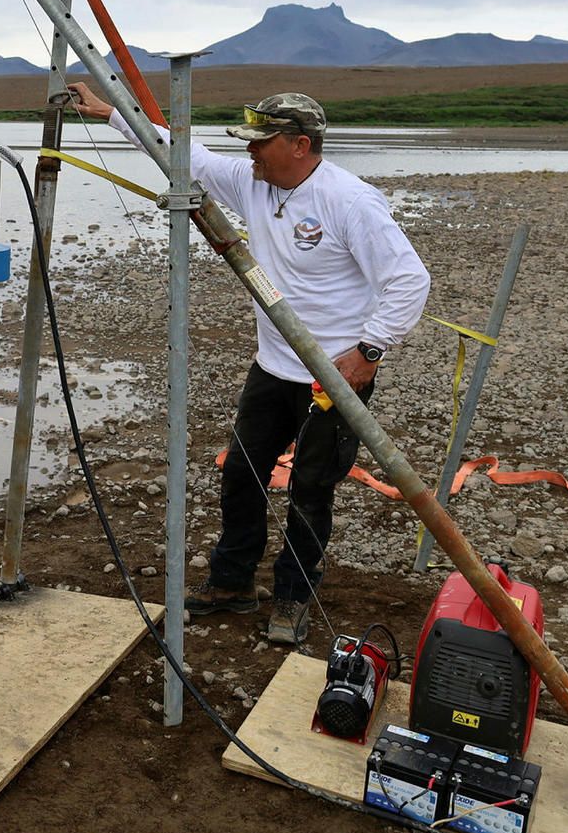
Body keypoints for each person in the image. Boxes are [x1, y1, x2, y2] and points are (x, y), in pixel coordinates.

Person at [67, 81, 429, 645]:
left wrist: (368, 352)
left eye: (262, 141)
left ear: (301, 145)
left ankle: (292, 595)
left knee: (310, 489)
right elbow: (186, 156)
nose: (250, 151)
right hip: (273, 366)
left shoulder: (350, 201)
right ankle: (232, 582)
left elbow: (408, 279)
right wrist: (114, 114)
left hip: (333, 375)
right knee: (241, 473)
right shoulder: (254, 182)